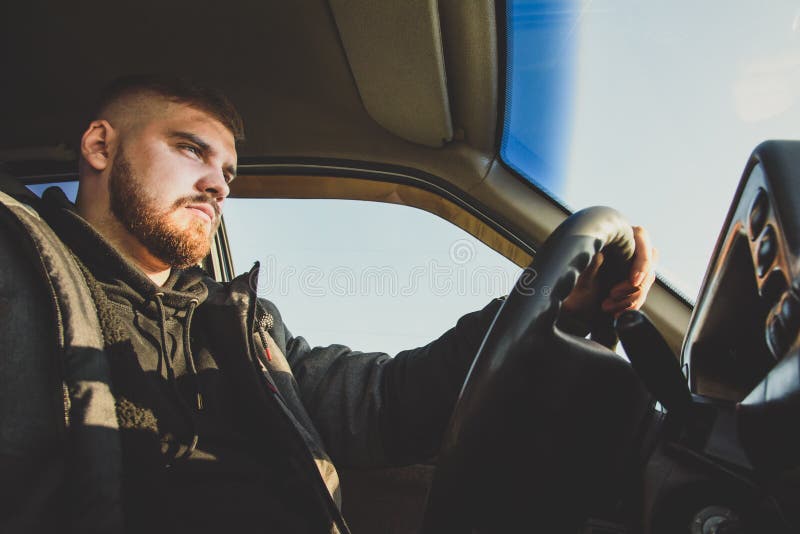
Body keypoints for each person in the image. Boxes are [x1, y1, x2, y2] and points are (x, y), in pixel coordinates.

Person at [0, 75, 656, 533]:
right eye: (189, 149)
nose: (215, 185)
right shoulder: (19, 275)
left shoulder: (242, 327)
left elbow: (386, 401)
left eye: (228, 172)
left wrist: (558, 309)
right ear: (99, 146)